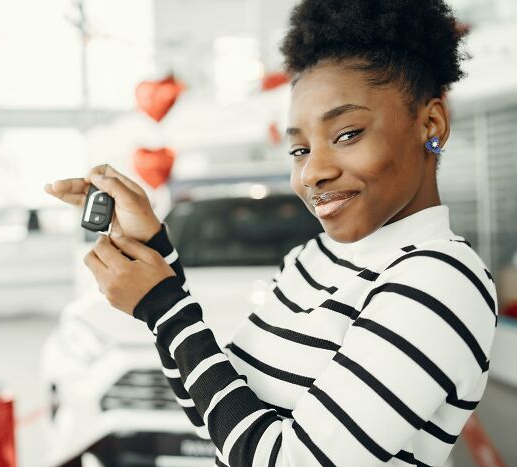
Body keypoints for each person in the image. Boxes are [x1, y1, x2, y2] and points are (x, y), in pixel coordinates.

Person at [45, 0, 497, 465]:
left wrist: (163, 306)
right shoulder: (311, 258)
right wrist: (158, 252)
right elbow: (217, 410)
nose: (313, 172)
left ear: (432, 125)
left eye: (346, 134)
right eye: (299, 149)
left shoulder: (440, 280)